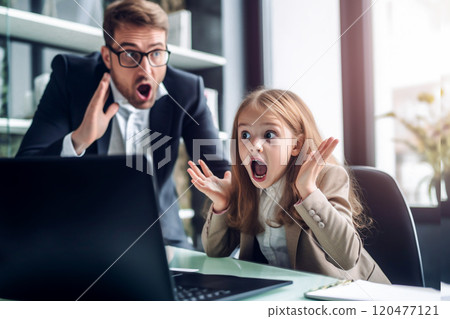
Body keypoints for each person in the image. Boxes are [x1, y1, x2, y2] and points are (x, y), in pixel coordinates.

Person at [16, 0, 229, 249]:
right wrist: (79, 139)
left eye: (157, 53)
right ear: (107, 56)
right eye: (130, 54)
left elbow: (217, 169)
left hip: (163, 237)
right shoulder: (71, 77)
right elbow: (25, 172)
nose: (146, 70)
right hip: (82, 236)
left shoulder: (186, 90)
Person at [187, 89, 390, 283]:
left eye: (269, 135)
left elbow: (346, 257)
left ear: (296, 145)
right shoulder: (246, 186)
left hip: (346, 296)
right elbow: (216, 251)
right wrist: (223, 203)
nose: (253, 145)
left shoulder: (327, 177)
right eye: (245, 135)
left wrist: (309, 192)